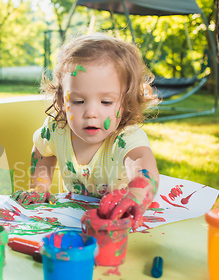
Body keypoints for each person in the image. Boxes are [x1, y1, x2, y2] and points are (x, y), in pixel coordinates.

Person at [13, 33, 159, 228]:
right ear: (63, 101)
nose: (91, 112)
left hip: (118, 222)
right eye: (78, 101)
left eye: (106, 102)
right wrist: (40, 188)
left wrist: (136, 197)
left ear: (124, 103)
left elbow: (142, 164)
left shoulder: (125, 136)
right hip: (72, 222)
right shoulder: (57, 129)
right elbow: (42, 151)